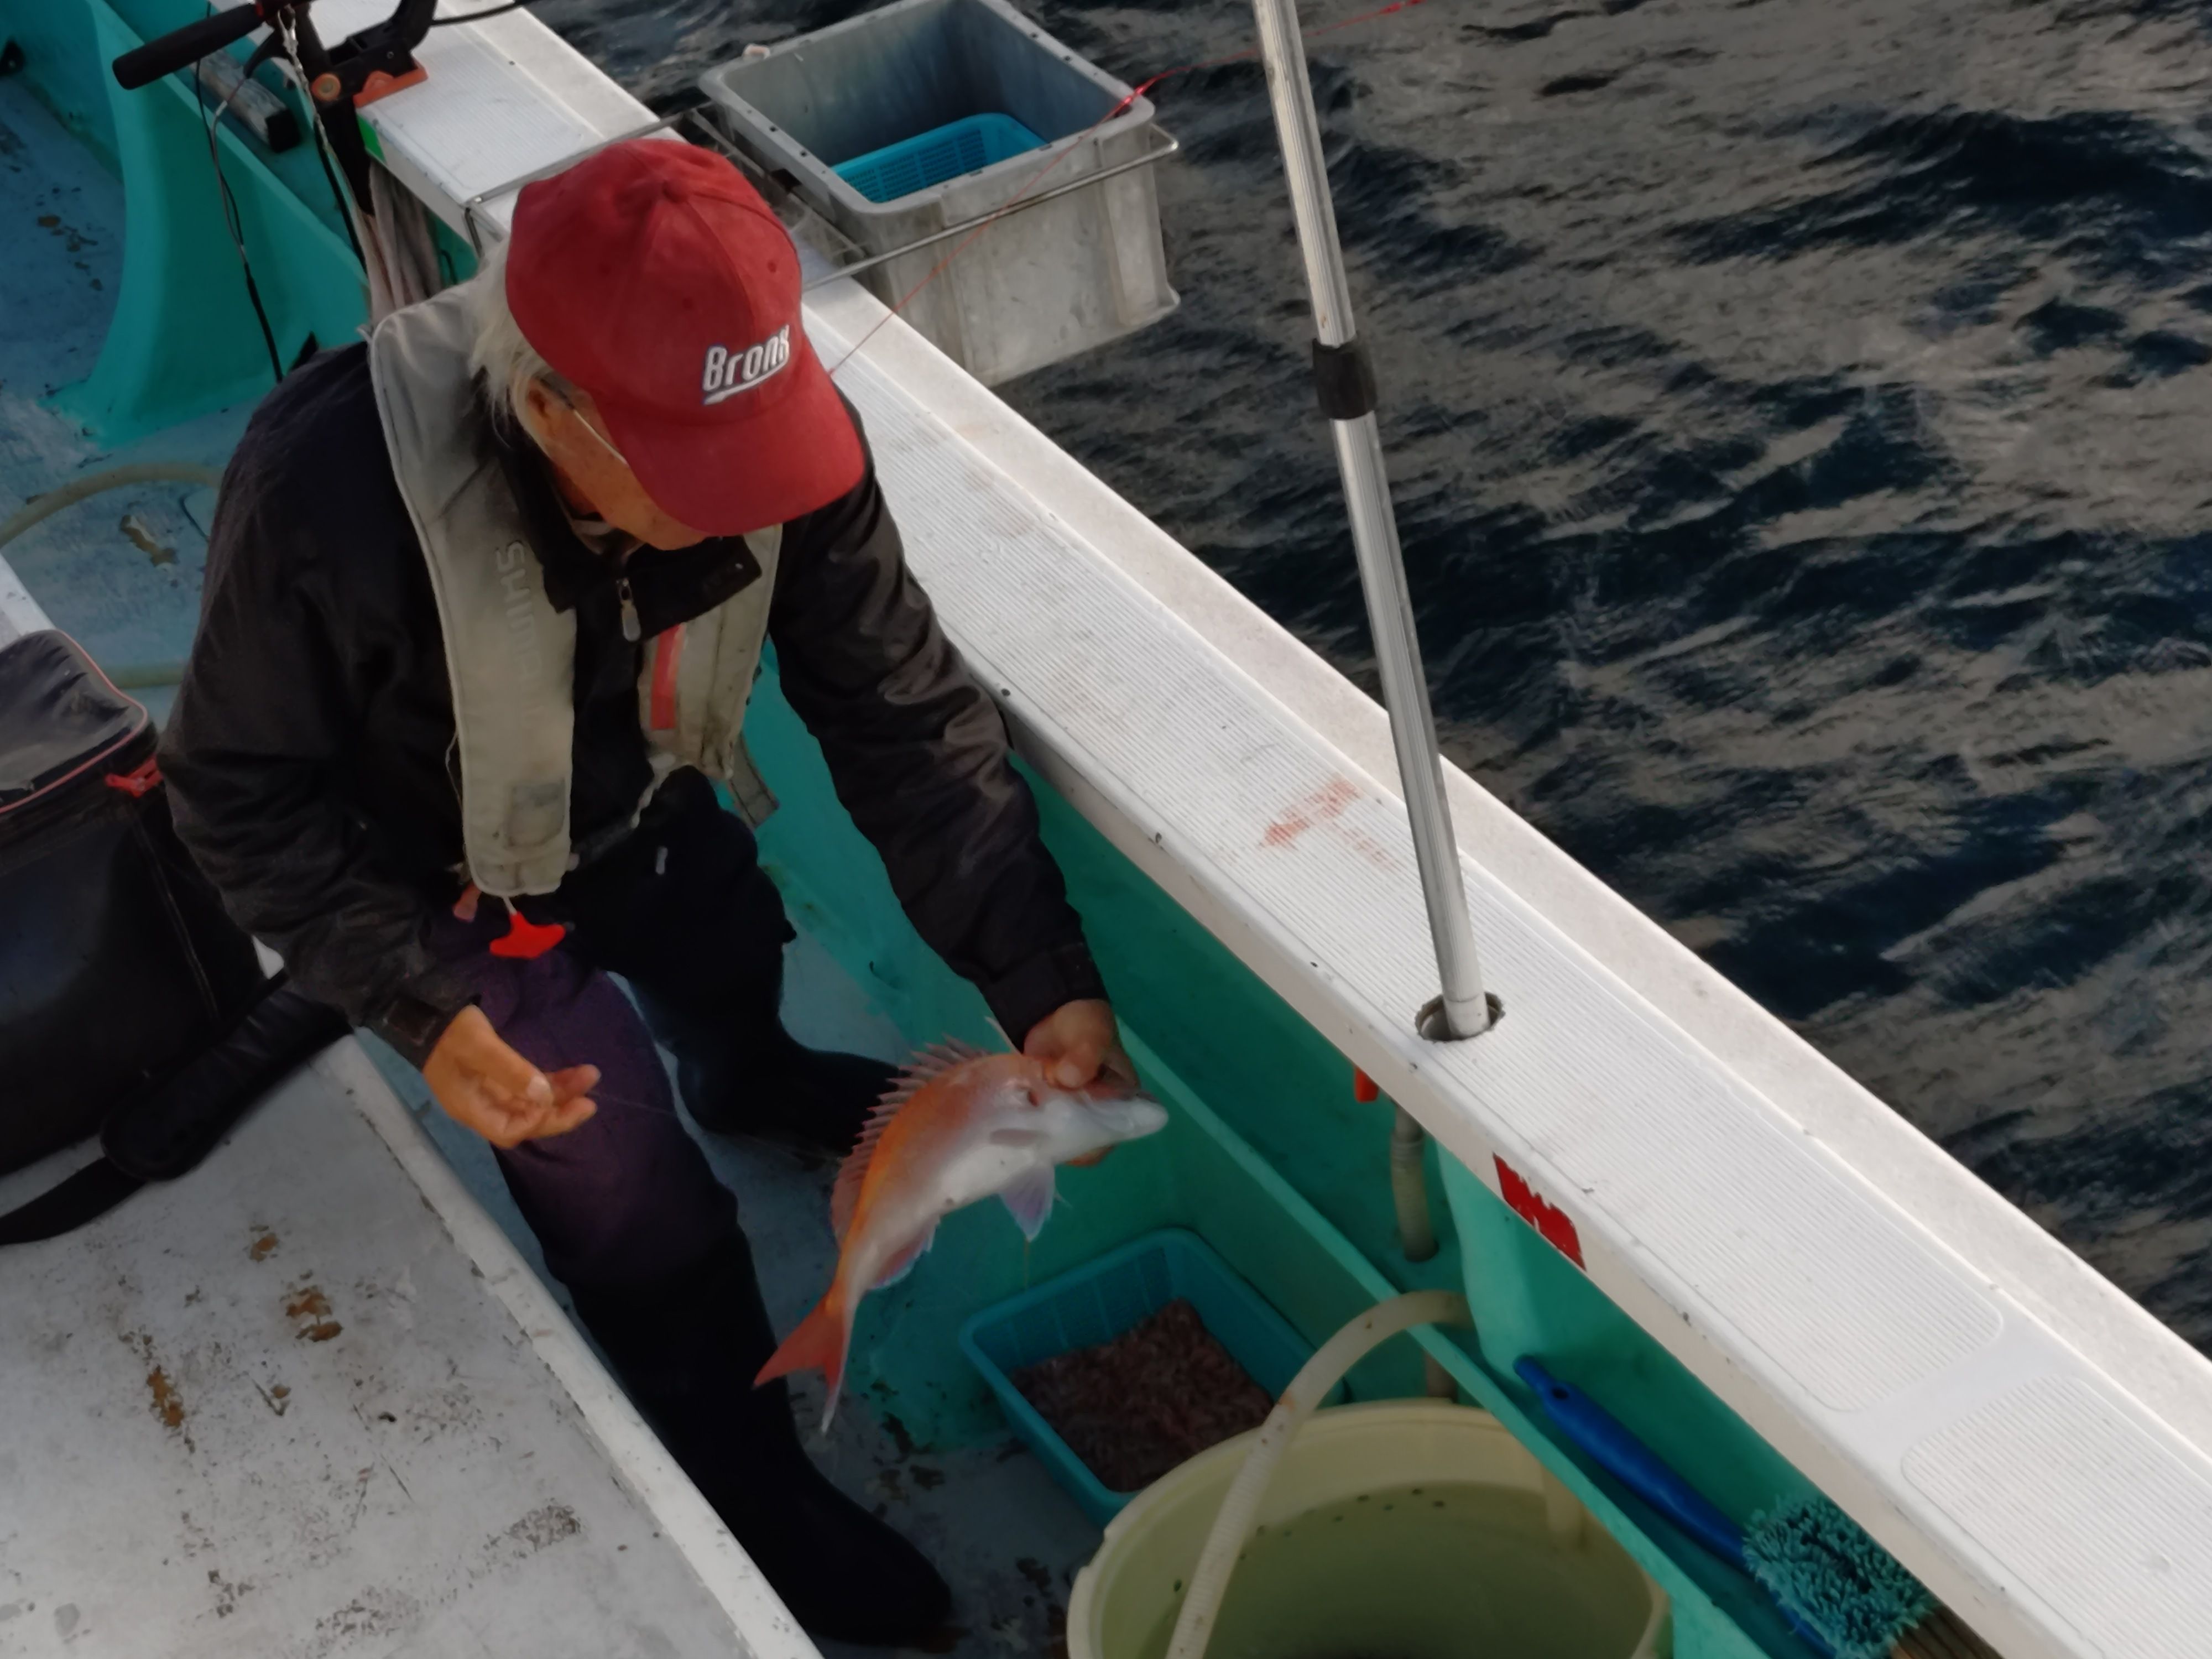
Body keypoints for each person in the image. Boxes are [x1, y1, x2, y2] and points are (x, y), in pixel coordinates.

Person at [159, 137, 1128, 1647]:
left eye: (764, 448)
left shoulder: (789, 446)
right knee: (627, 1190)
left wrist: (1040, 972)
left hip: (642, 806)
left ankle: (750, 1077)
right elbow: (234, 787)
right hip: (441, 891)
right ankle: (754, 1481)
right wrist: (419, 1006)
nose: (753, 499)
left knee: (733, 938)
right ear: (550, 409)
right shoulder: (325, 500)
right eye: (700, 470)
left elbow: (899, 709)